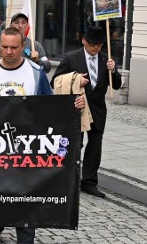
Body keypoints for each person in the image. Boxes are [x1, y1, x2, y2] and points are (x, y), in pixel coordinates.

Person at [0, 27, 85, 244]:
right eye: (4, 47)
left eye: (14, 47)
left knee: (26, 190)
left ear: (23, 46)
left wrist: (72, 105)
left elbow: (48, 106)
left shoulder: (35, 72)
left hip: (27, 142)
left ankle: (26, 243)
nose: (8, 51)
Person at [51, 25, 121, 198]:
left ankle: (89, 182)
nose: (96, 47)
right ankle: (70, 180)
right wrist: (75, 80)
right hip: (78, 108)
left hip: (97, 110)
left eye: (99, 44)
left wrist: (114, 70)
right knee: (76, 144)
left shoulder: (106, 59)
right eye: (92, 44)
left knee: (95, 146)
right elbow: (55, 81)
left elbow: (116, 85)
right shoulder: (70, 58)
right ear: (84, 41)